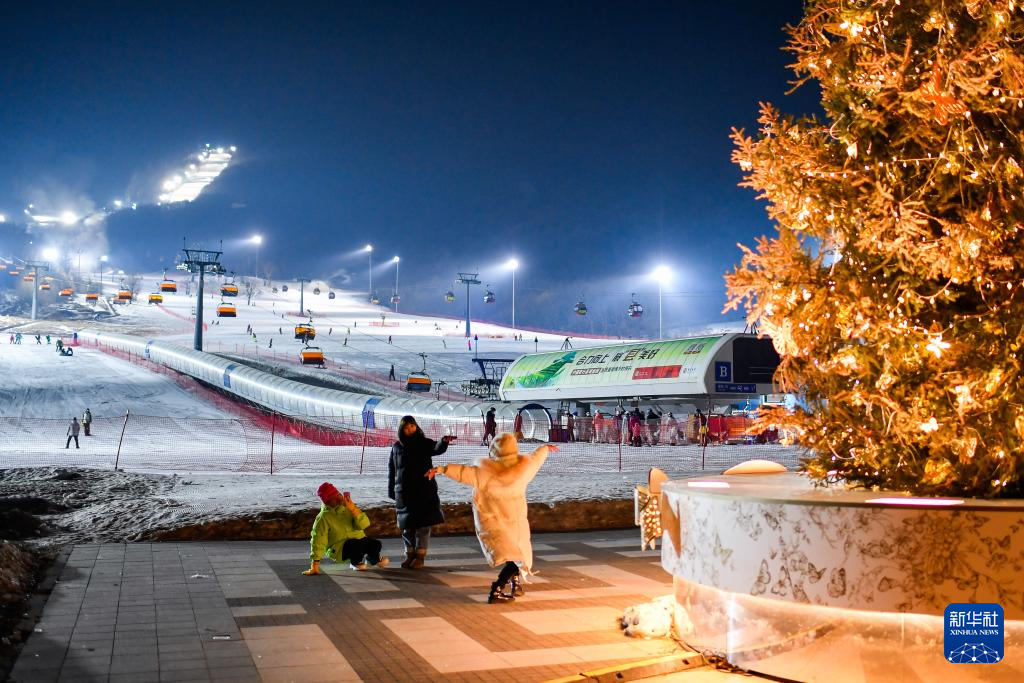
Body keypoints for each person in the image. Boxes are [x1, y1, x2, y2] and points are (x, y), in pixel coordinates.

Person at [427, 433, 557, 603]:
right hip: (515, 522)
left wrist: (441, 469)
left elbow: (464, 472)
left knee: (512, 554)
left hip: (493, 521)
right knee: (518, 555)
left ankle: (514, 583)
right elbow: (535, 459)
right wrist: (544, 448)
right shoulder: (523, 469)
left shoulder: (484, 472)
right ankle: (497, 590)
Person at [388, 416, 456, 569]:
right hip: (404, 492)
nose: (410, 429)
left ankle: (420, 556)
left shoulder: (423, 443)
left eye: (412, 426)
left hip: (423, 490)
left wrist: (443, 441)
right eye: (406, 427)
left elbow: (436, 448)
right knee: (407, 527)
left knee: (423, 526)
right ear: (402, 429)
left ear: (416, 427)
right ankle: (409, 555)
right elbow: (392, 470)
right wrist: (392, 490)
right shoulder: (397, 447)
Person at [302, 483, 388, 575]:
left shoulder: (349, 508)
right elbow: (318, 540)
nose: (339, 497)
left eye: (338, 494)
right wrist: (315, 565)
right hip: (339, 548)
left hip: (358, 541)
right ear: (327, 501)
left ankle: (373, 559)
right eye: (334, 497)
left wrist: (353, 509)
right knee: (355, 545)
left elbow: (364, 524)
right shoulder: (323, 517)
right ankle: (355, 562)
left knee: (376, 544)